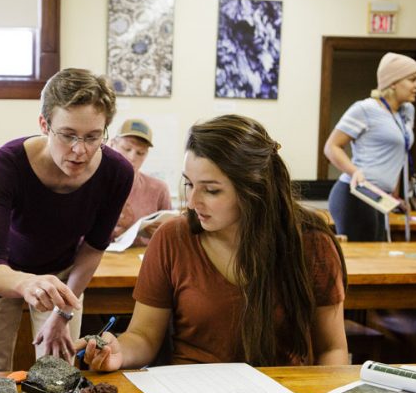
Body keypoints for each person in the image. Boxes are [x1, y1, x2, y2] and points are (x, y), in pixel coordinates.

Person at [78, 114, 349, 369]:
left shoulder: (311, 244)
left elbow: (332, 349)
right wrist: (119, 351)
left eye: (211, 190)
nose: (193, 202)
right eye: (189, 185)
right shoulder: (172, 239)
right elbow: (144, 336)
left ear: (253, 189)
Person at [0, 68, 134, 371]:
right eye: (68, 135)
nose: (79, 150)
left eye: (92, 137)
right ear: (44, 124)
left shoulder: (117, 173)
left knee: (58, 370)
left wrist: (64, 311)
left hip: (64, 272)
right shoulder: (4, 165)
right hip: (2, 269)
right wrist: (27, 284)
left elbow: (94, 248)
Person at [325, 52, 416, 241]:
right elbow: (331, 147)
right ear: (393, 82)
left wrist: (395, 194)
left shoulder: (406, 112)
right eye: (412, 80)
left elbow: (395, 154)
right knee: (363, 262)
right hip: (356, 195)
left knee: (380, 257)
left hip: (381, 197)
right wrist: (355, 172)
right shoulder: (365, 109)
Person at [109, 119, 172, 246]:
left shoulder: (159, 189)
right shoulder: (90, 183)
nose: (132, 157)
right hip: (98, 259)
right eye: (127, 149)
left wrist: (160, 232)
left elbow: (170, 238)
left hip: (140, 261)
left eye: (140, 153)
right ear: (111, 145)